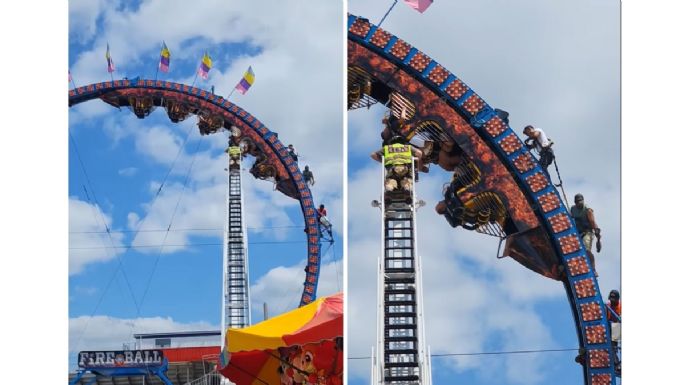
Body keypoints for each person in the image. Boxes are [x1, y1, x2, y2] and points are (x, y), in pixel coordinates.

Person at [570, 193, 601, 271]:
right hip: (578, 233)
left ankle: (593, 269)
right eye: (577, 201)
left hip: (588, 232)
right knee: (575, 250)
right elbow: (570, 217)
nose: (579, 203)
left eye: (580, 201)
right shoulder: (573, 209)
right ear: (575, 202)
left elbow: (592, 221)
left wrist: (596, 231)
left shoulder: (588, 210)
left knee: (586, 250)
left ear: (583, 201)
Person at [606, 290, 621, 375]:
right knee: (610, 347)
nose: (612, 300)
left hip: (616, 327)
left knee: (613, 348)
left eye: (613, 299)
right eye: (611, 298)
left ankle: (617, 365)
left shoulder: (620, 306)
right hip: (610, 325)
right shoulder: (608, 305)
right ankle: (615, 363)